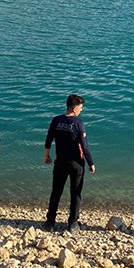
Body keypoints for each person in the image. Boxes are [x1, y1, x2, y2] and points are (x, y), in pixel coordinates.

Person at [44, 94, 95, 232]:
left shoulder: (56, 121)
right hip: (76, 164)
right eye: (80, 107)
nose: (81, 110)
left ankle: (50, 222)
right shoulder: (79, 124)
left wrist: (47, 156)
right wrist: (91, 163)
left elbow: (48, 140)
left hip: (60, 162)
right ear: (73, 108)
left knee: (56, 192)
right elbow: (85, 146)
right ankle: (72, 223)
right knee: (75, 193)